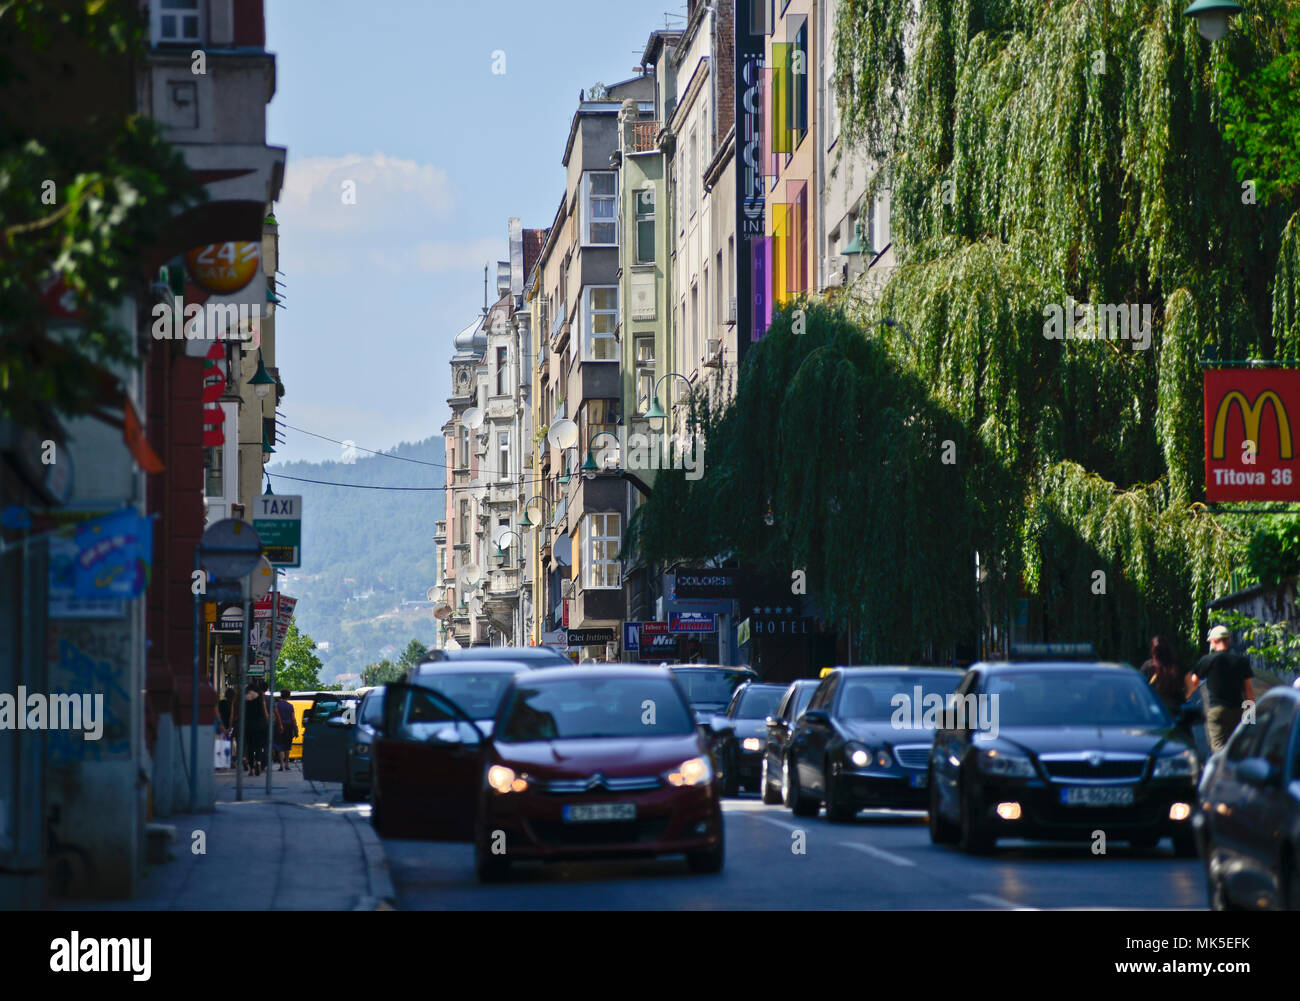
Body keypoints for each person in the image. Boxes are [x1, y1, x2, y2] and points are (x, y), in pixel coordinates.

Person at [1194, 625, 1255, 753]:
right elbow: (1248, 690)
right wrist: (1251, 716)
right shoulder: (1241, 661)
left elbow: (1194, 682)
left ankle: (1221, 770)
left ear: (1214, 641)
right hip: (1237, 711)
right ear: (1227, 640)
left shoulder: (1207, 660)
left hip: (1217, 711)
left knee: (1219, 749)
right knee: (1237, 748)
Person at [1140, 635, 1198, 718]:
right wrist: (1183, 696)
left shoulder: (1147, 667)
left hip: (1155, 710)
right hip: (1177, 709)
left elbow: (1141, 691)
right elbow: (1191, 686)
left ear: (1152, 650)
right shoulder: (1178, 665)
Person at [243, 683, 270, 776]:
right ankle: (258, 762)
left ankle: (251, 769)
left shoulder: (244, 697)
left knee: (250, 747)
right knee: (259, 746)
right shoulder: (260, 697)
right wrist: (267, 723)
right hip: (260, 724)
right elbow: (265, 711)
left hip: (248, 725)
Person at [273, 690, 297, 771]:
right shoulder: (290, 706)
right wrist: (295, 728)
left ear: (281, 695)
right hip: (289, 727)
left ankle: (281, 765)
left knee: (280, 746)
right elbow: (293, 718)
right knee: (287, 746)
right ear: (288, 696)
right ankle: (287, 764)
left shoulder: (277, 705)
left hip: (279, 727)